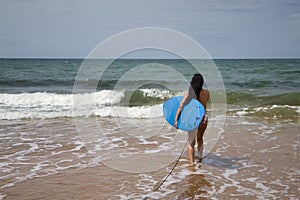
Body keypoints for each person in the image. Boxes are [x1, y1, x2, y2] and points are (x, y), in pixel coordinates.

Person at [175, 73, 210, 165]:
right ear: (201, 82)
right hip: (203, 117)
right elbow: (204, 104)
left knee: (191, 142)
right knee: (200, 138)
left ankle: (191, 163)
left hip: (192, 117)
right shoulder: (207, 93)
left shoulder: (189, 93)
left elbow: (181, 106)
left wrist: (176, 119)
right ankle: (200, 158)